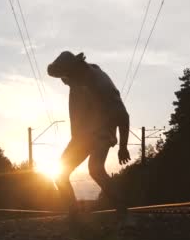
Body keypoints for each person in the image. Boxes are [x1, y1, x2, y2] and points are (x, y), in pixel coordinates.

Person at [47, 51, 131, 218]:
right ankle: (74, 213)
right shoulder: (75, 74)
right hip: (81, 135)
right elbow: (59, 74)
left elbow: (123, 116)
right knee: (60, 173)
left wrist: (123, 147)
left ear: (77, 69)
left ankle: (123, 211)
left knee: (95, 169)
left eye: (68, 75)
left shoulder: (102, 85)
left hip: (102, 131)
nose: (66, 79)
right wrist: (58, 70)